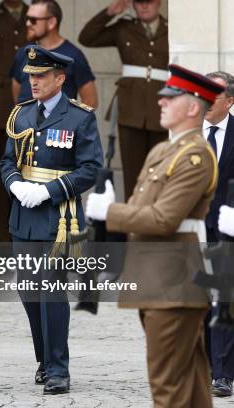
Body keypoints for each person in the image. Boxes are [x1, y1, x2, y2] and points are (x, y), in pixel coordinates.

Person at [86, 64, 223, 407]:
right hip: (154, 278)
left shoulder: (194, 156)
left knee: (168, 389)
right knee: (190, 386)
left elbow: (163, 219)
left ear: (193, 107)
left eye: (170, 97)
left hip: (173, 281)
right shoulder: (163, 151)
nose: (160, 103)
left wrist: (110, 212)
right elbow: (141, 208)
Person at [0, 46, 103, 394]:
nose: (34, 82)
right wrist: (15, 184)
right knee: (29, 291)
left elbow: (91, 169)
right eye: (31, 76)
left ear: (60, 78)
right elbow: (6, 161)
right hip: (24, 216)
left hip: (59, 217)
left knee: (52, 292)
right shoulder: (21, 115)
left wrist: (50, 191)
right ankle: (44, 360)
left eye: (41, 76)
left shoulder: (80, 117)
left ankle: (59, 369)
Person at [79, 0, 168, 200]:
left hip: (162, 108)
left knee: (161, 173)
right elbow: (86, 38)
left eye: (150, 2)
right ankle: (132, 226)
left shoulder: (170, 29)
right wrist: (109, 13)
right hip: (131, 108)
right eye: (139, 2)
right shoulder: (124, 28)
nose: (144, 6)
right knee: (133, 173)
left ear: (159, 3)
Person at [202, 71, 234, 397]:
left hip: (227, 227)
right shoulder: (182, 131)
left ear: (230, 100)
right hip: (192, 226)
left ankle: (222, 374)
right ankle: (205, 365)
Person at [10, 0, 97, 108]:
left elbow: (90, 100)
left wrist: (68, 123)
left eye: (33, 20)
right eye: (26, 19)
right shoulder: (23, 53)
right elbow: (17, 96)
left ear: (51, 22)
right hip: (25, 125)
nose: (28, 24)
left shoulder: (73, 56)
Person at [0, 0, 29, 243]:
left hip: (32, 114)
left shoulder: (36, 15)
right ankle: (3, 240)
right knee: (3, 180)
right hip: (1, 112)